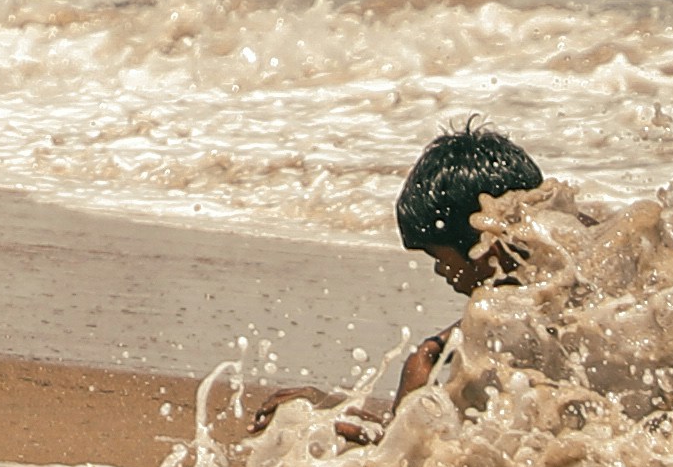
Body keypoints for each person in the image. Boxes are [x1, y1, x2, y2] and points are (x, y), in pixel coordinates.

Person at [233, 126, 554, 439]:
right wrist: (341, 411)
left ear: (488, 246)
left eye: (439, 258)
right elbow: (429, 365)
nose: (441, 272)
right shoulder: (542, 284)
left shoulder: (553, 300)